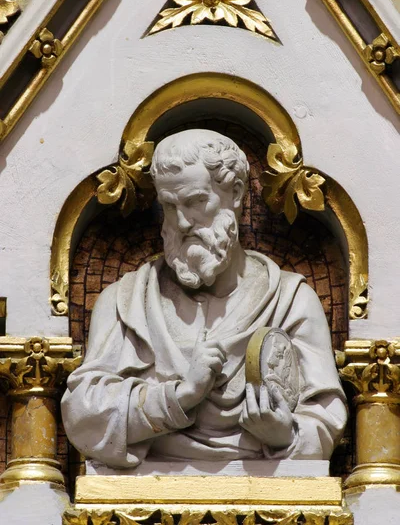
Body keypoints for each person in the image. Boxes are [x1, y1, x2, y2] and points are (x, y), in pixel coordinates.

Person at [61, 129, 347, 468]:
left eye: (197, 201)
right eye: (169, 206)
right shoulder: (126, 301)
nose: (182, 222)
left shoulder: (292, 302)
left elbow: (325, 421)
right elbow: (82, 416)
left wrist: (286, 434)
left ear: (236, 193)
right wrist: (179, 397)